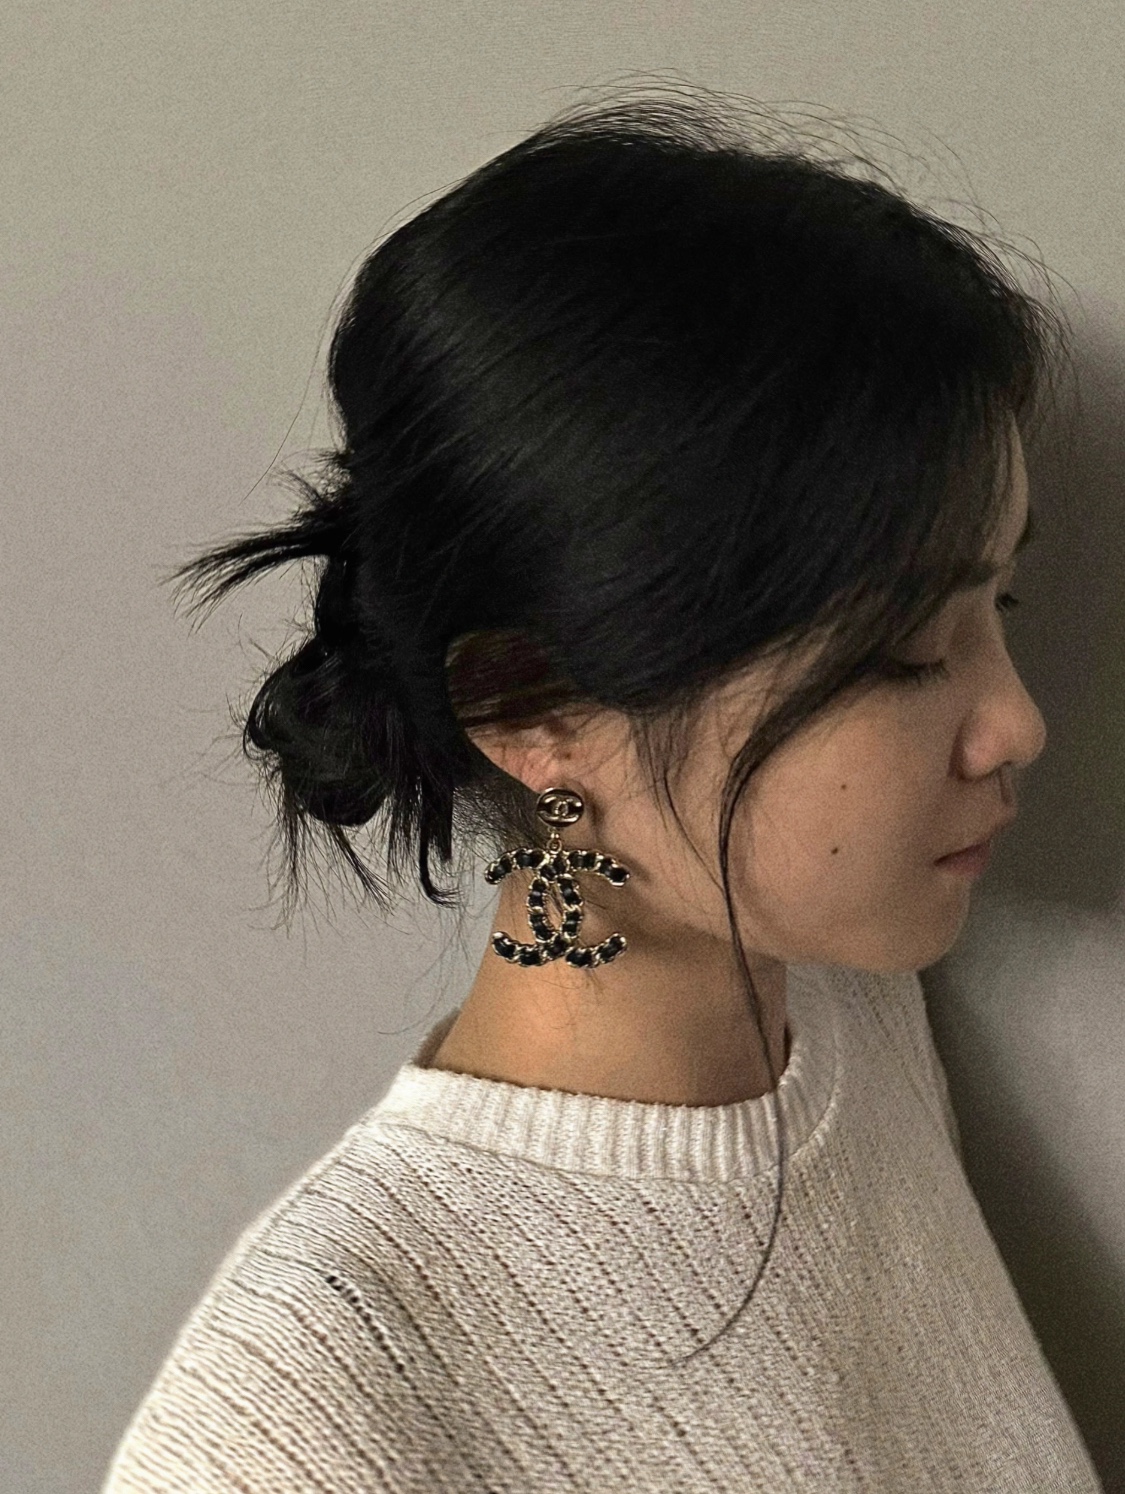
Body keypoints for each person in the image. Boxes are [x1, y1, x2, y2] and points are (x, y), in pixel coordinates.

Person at [101, 81, 1103, 1491]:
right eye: (901, 652)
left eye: (999, 602)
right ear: (527, 705)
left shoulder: (843, 1002)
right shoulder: (303, 1414)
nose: (1016, 724)